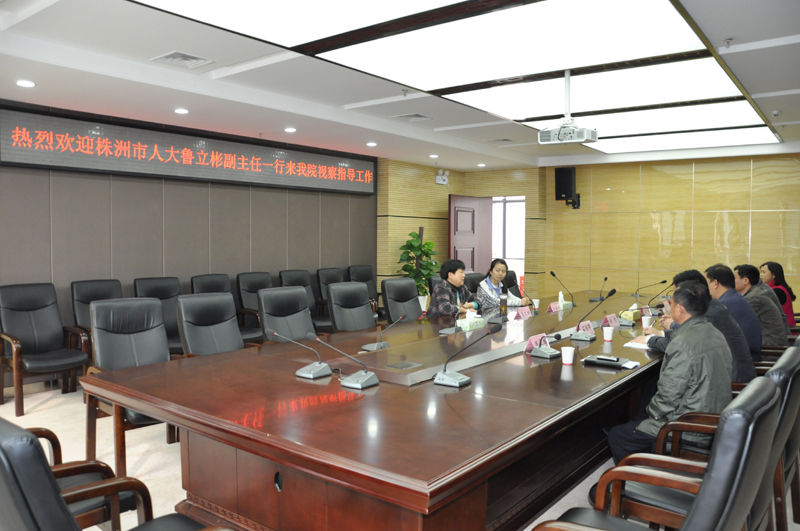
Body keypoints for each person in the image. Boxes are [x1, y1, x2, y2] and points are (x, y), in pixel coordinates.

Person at [608, 281, 732, 464]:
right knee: (643, 407)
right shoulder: (714, 331)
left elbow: (668, 396)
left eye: (672, 304)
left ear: (679, 308)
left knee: (618, 435)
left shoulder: (682, 344)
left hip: (690, 426)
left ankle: (639, 478)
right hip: (715, 414)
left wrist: (650, 415)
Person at [635, 270, 754, 383]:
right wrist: (661, 334)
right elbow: (688, 334)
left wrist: (650, 340)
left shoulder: (710, 313)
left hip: (732, 379)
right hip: (722, 372)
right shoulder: (712, 306)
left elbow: (680, 346)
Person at [705, 264, 762, 361]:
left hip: (740, 361)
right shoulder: (734, 297)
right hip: (746, 357)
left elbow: (704, 331)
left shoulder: (724, 304)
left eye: (706, 283)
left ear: (715, 283)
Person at [734, 264, 789, 346]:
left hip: (771, 342)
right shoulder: (756, 291)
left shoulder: (754, 297)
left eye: (734, 278)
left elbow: (736, 321)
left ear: (746, 280)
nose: (731, 281)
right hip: (767, 337)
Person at [761, 261, 796, 327]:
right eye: (761, 272)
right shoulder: (773, 288)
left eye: (764, 272)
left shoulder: (777, 291)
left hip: (784, 329)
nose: (761, 275)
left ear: (774, 275)